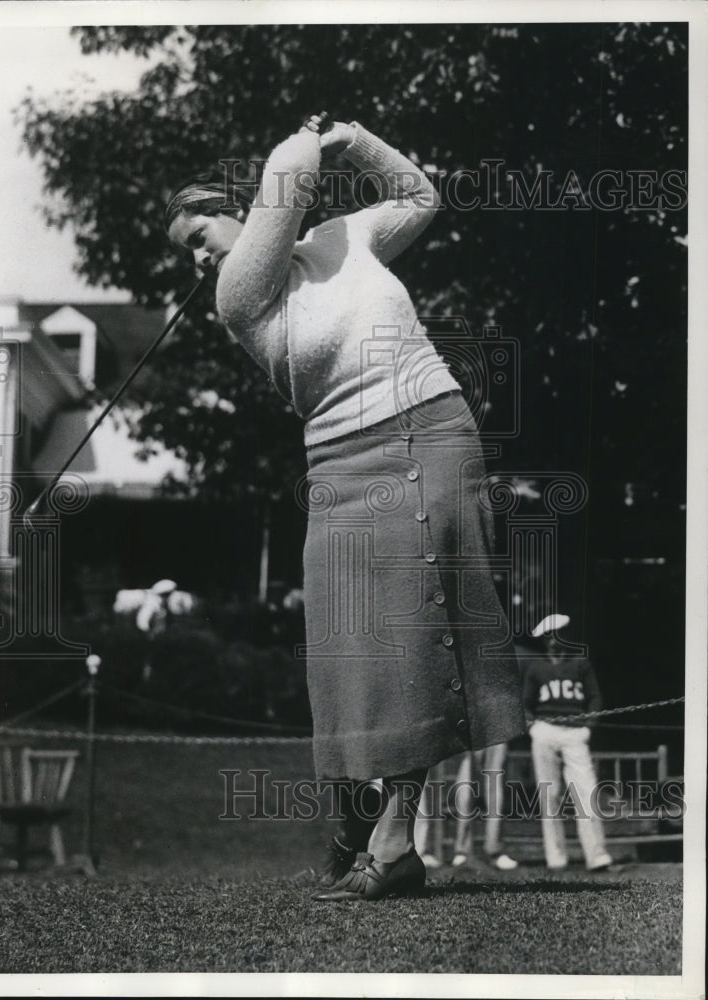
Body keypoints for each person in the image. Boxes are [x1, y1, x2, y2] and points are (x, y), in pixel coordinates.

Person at [165, 113, 525, 901]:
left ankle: (394, 844)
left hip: (428, 431)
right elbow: (286, 177)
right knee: (347, 653)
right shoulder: (239, 294)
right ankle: (351, 830)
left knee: (415, 640)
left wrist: (353, 138)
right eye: (185, 249)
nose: (197, 253)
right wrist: (305, 141)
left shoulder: (340, 239)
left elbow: (418, 195)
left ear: (238, 206)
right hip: (337, 463)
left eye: (201, 229)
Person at [522, 613, 614, 872]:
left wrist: (588, 727)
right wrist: (534, 728)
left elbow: (595, 698)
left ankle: (597, 855)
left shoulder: (580, 663)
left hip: (575, 734)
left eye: (557, 636)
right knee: (549, 794)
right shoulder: (536, 667)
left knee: (586, 791)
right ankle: (556, 857)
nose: (553, 642)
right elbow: (526, 704)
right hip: (546, 732)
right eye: (547, 638)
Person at [414, 745, 519, 872]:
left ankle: (495, 851)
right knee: (465, 782)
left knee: (495, 779)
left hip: (496, 729)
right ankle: (463, 851)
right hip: (462, 730)